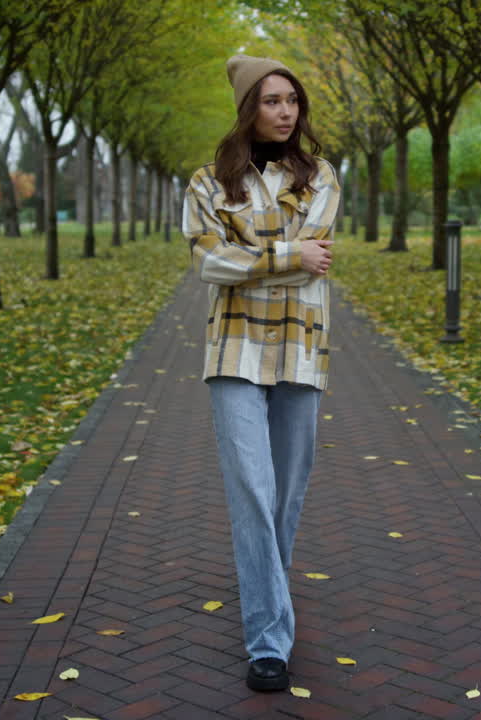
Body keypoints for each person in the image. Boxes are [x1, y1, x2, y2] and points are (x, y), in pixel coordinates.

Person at [181, 54, 340, 692]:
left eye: (292, 100)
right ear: (249, 108)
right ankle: (269, 640)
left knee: (286, 493)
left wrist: (249, 251)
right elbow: (208, 263)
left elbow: (312, 255)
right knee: (252, 487)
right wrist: (286, 253)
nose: (285, 111)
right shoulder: (207, 182)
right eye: (272, 100)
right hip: (235, 349)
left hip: (301, 346)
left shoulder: (321, 175)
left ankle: (266, 586)